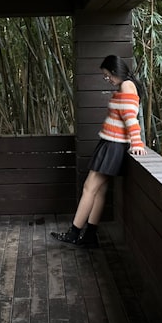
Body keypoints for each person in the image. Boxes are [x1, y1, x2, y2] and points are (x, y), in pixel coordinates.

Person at [51, 54, 147, 248]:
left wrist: (137, 143)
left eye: (107, 76)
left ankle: (74, 232)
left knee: (89, 187)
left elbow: (131, 118)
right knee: (100, 190)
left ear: (115, 71)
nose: (108, 80)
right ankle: (90, 236)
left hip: (114, 145)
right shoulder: (123, 86)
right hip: (109, 143)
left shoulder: (127, 86)